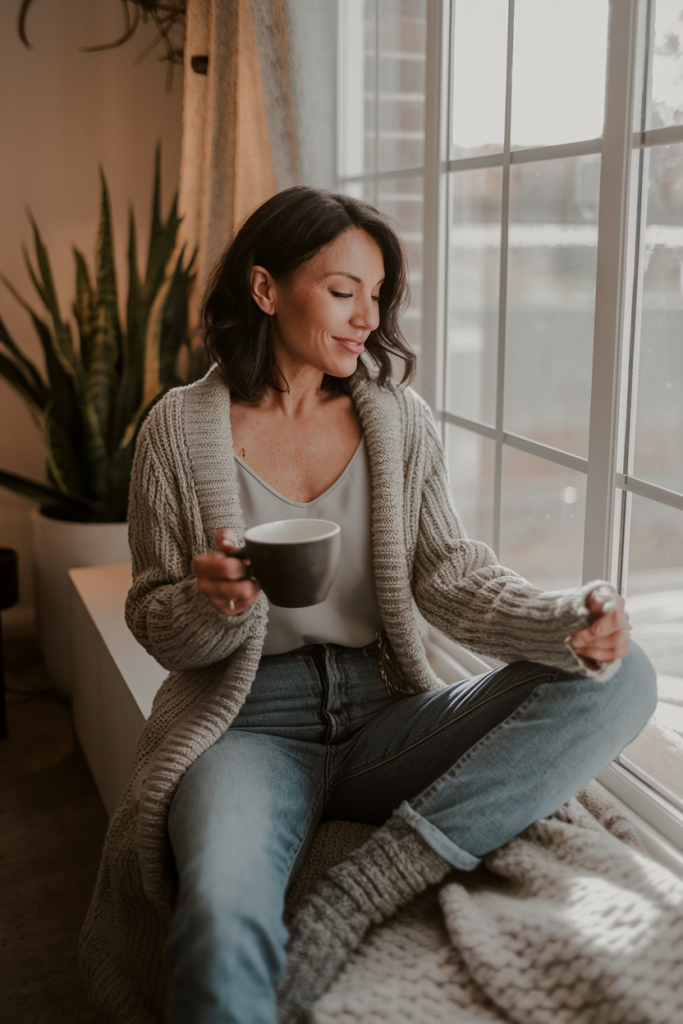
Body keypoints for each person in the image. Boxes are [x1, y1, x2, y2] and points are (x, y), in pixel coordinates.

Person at [79, 186, 656, 1024]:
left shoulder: (395, 418)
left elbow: (448, 573)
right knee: (216, 919)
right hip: (245, 724)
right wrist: (215, 604)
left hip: (386, 713)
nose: (365, 316)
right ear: (265, 288)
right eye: (343, 290)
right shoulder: (177, 429)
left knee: (622, 675)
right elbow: (150, 613)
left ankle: (369, 885)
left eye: (376, 294)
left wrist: (566, 618)